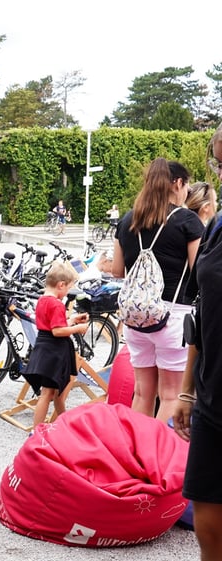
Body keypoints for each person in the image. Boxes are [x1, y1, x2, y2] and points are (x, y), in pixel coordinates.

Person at [112, 158, 203, 423]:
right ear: (177, 183)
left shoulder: (128, 220)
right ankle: (152, 460)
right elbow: (199, 272)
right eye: (185, 185)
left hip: (136, 317)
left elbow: (118, 270)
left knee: (142, 394)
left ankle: (134, 455)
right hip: (173, 317)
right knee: (171, 395)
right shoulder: (187, 221)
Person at [173, 122, 222, 561]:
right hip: (213, 393)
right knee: (207, 511)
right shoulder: (217, 225)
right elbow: (202, 309)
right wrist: (187, 389)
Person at [22, 261, 89, 429]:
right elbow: (57, 331)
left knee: (56, 391)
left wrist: (72, 319)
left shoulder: (43, 300)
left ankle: (64, 424)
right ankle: (37, 431)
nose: (67, 293)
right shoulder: (56, 304)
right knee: (48, 394)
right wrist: (76, 328)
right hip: (55, 352)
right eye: (67, 288)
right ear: (61, 285)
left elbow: (51, 324)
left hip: (43, 348)